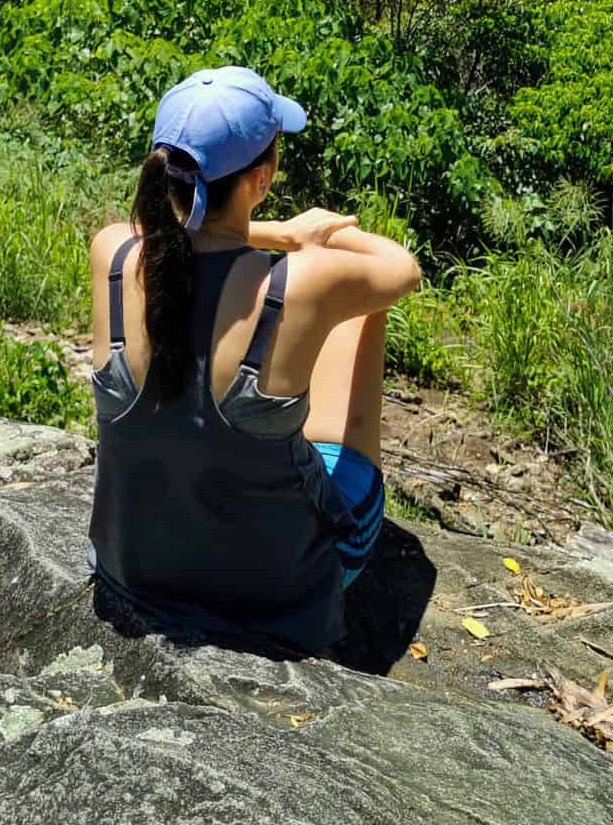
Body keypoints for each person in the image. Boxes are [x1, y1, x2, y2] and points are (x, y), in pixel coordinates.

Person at [87, 66, 423, 653]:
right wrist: (301, 237)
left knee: (276, 383)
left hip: (133, 572)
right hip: (276, 598)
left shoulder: (114, 255)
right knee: (360, 312)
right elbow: (402, 269)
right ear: (262, 177)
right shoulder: (299, 283)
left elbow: (151, 228)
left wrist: (263, 232)